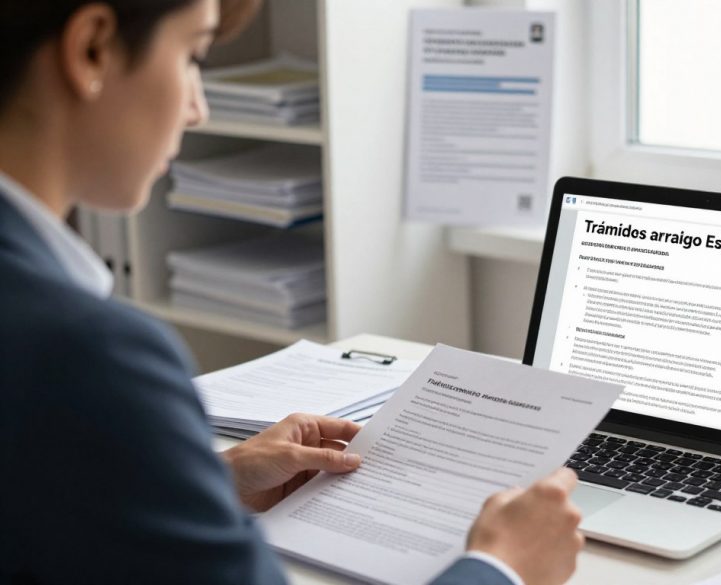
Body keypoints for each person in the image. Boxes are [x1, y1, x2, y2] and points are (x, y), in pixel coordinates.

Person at [0, 1, 584, 584]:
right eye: (193, 55)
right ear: (92, 49)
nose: (198, 108)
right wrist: (501, 566)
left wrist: (206, 479)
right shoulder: (91, 357)